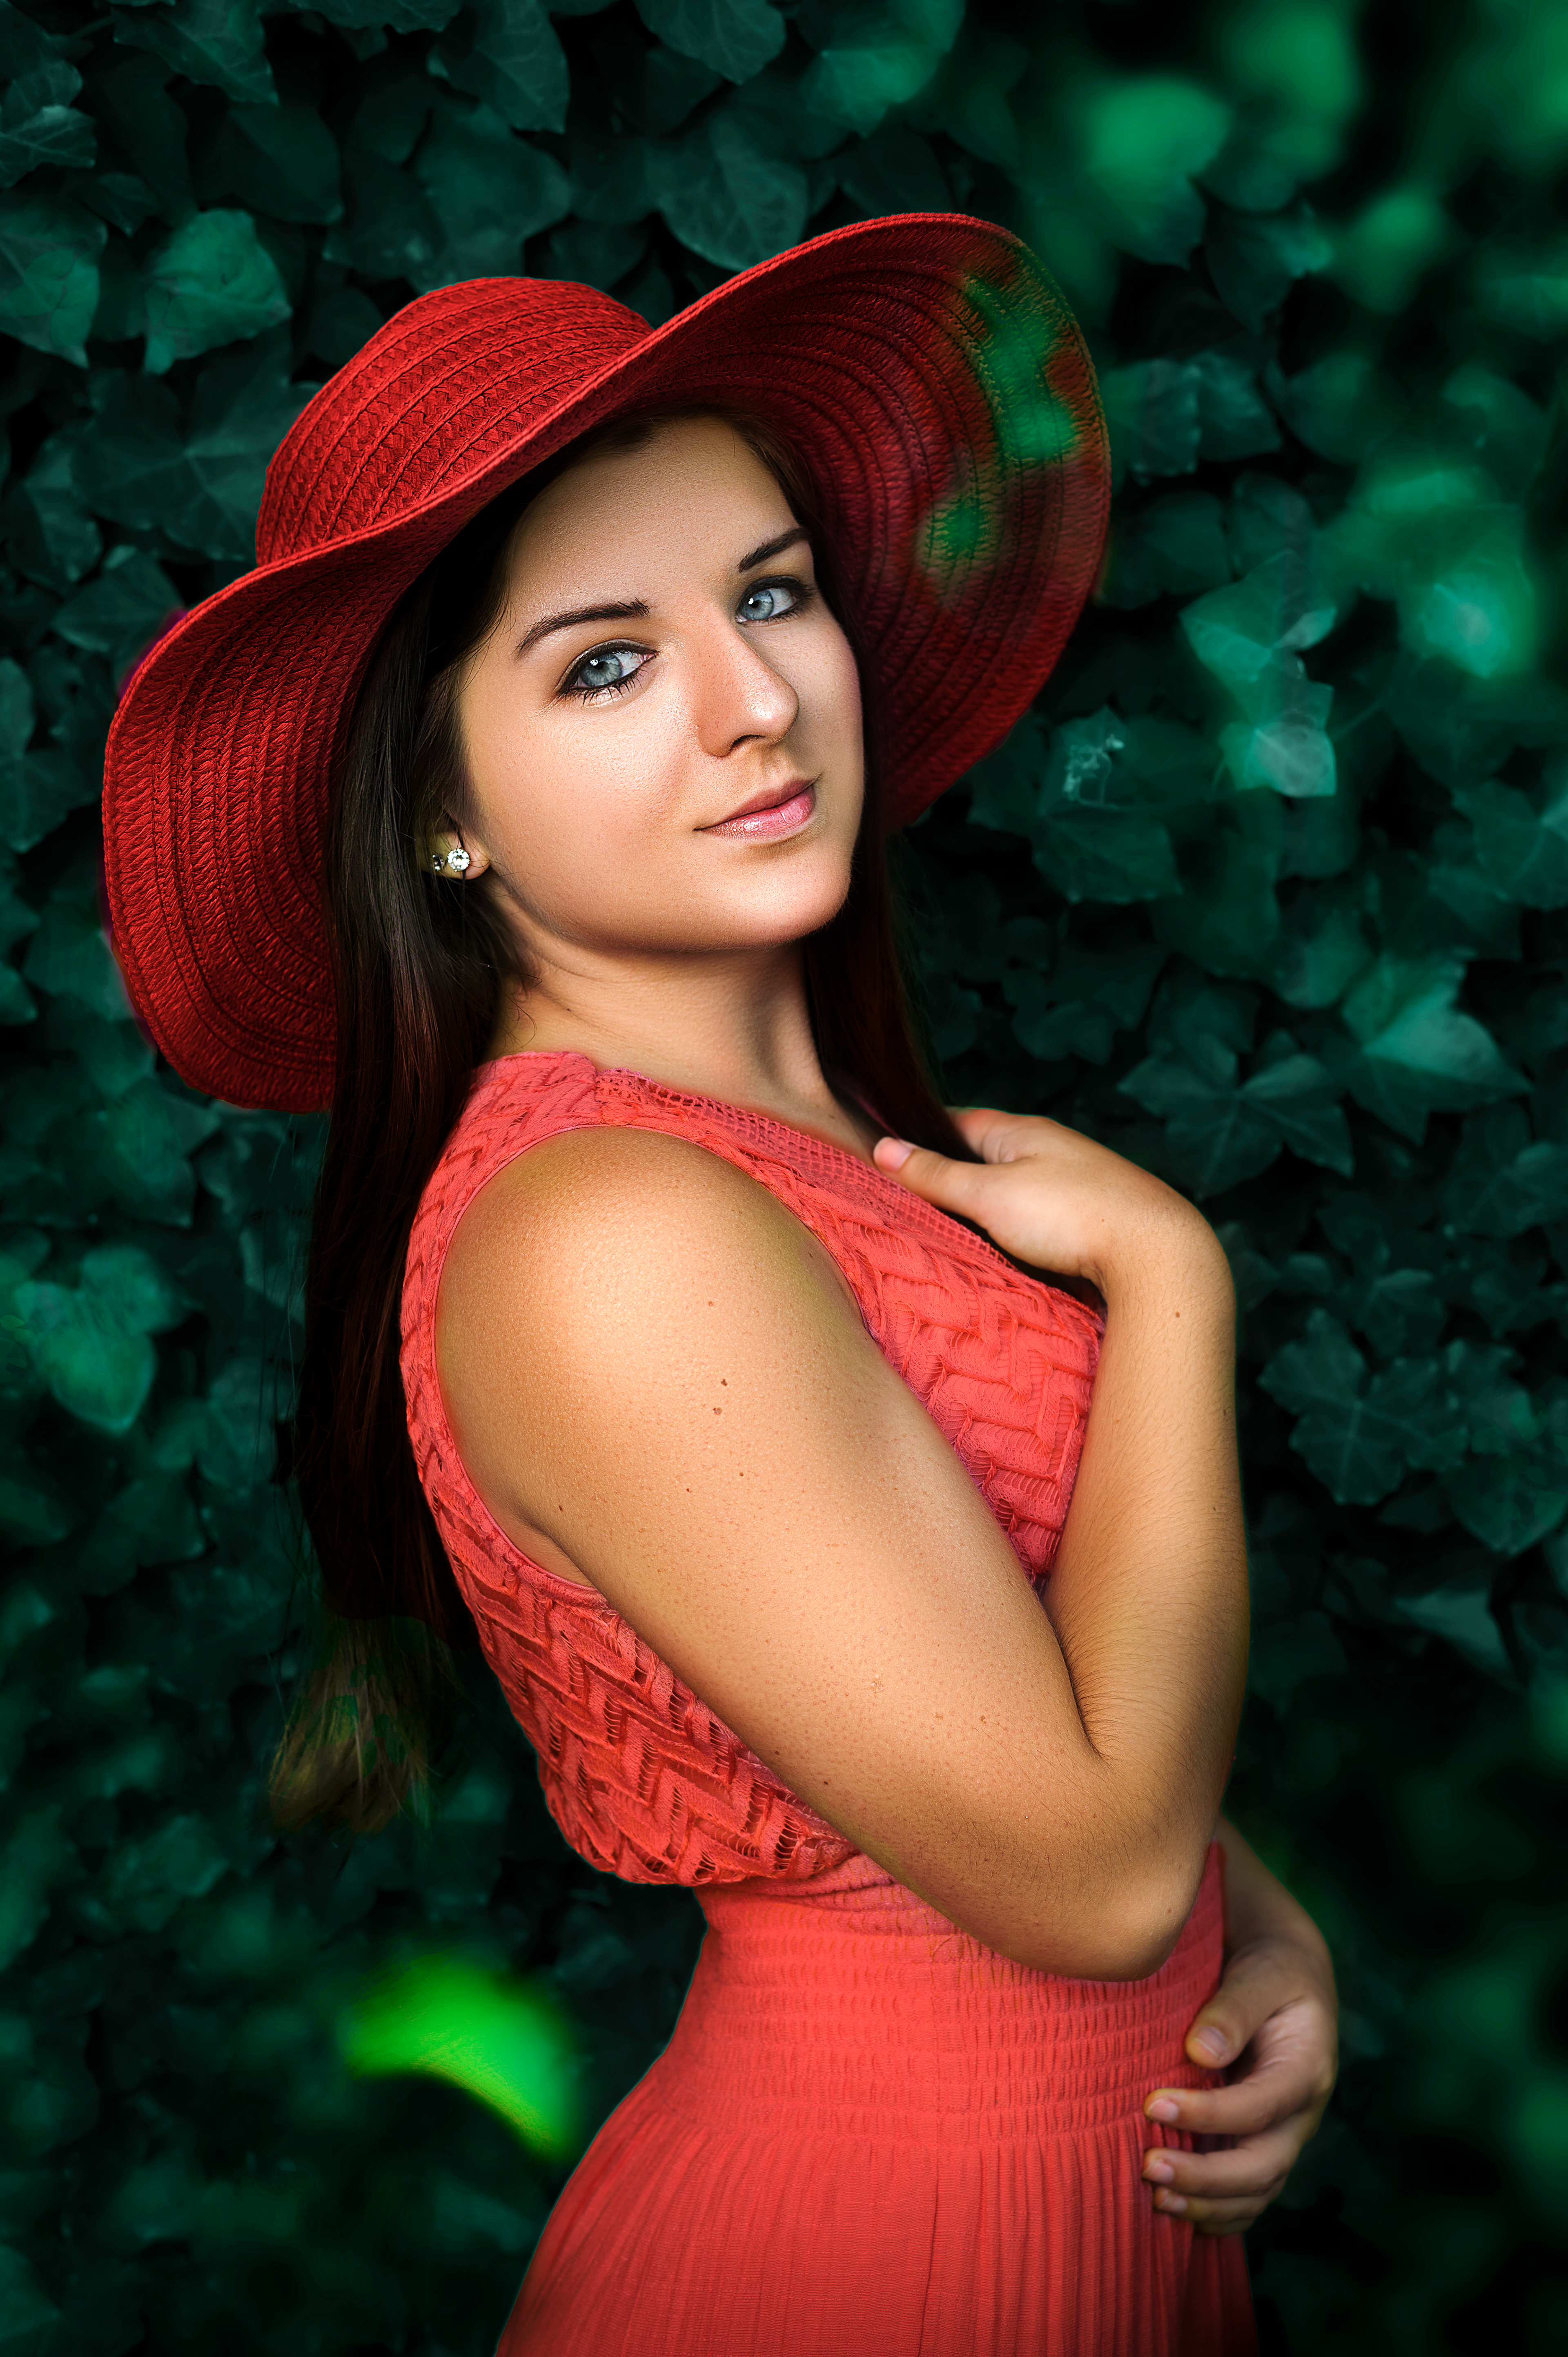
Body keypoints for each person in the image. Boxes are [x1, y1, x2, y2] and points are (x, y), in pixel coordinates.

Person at [103, 218, 1336, 2354]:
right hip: (870, 2262)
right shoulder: (606, 1237)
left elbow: (990, 1678)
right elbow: (1093, 1871)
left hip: (1094, 2224)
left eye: (769, 593)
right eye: (606, 660)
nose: (759, 696)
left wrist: (1268, 1934)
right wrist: (1178, 1283)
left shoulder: (813, 1148)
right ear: (442, 818)